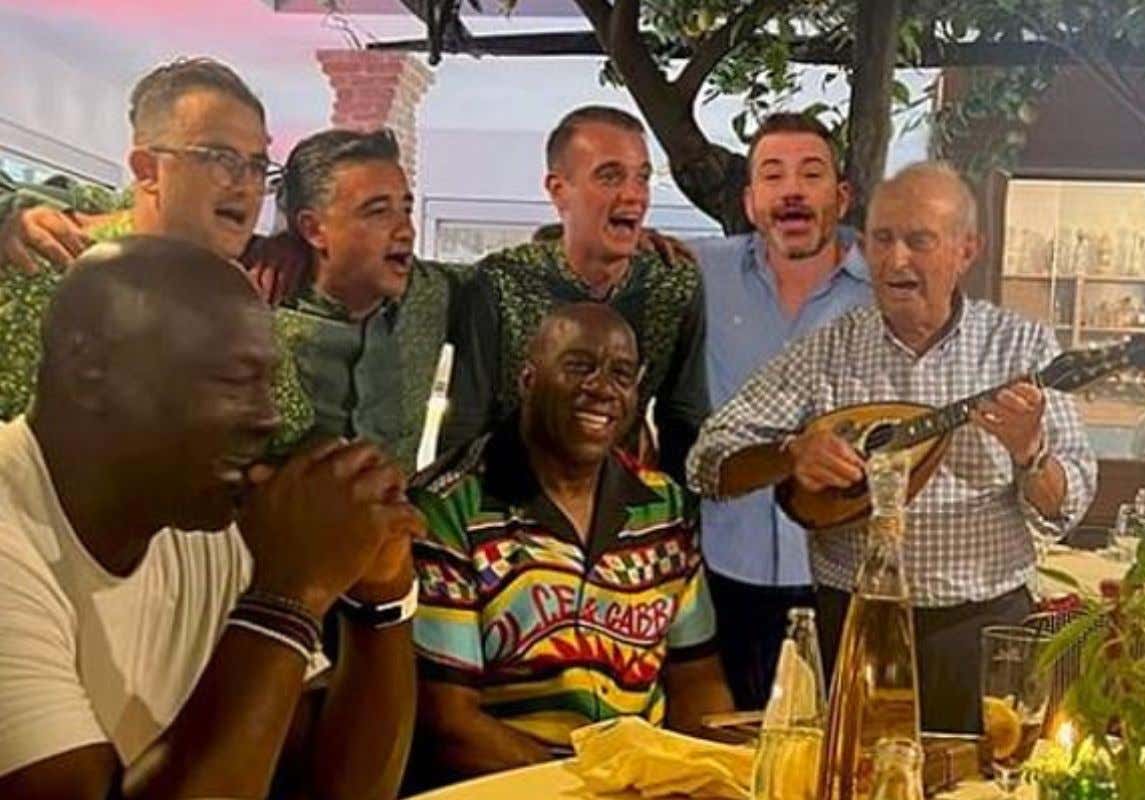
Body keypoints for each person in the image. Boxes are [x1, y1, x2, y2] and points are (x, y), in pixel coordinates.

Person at [0, 236, 420, 799]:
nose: (270, 418)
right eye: (235, 381)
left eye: (268, 383)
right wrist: (286, 596)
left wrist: (382, 601)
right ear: (89, 370)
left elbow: (327, 784)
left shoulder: (196, 513)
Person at [687, 162, 1098, 733]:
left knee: (987, 776)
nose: (896, 259)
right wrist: (792, 454)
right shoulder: (826, 351)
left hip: (982, 627)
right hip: (857, 623)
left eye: (919, 241)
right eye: (882, 239)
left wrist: (1031, 453)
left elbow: (1068, 502)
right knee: (853, 775)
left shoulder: (1022, 348)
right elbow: (707, 460)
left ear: (967, 250)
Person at [412, 302, 732, 779]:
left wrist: (707, 773)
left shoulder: (664, 506)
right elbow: (447, 722)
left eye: (621, 374)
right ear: (528, 380)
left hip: (642, 781)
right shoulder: (449, 507)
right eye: (579, 367)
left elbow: (697, 679)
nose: (602, 388)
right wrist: (589, 786)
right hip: (512, 783)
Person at [687, 113, 873, 710]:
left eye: (811, 174)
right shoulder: (699, 272)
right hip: (723, 575)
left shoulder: (887, 292)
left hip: (844, 577)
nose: (792, 189)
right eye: (772, 175)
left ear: (841, 196)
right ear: (750, 201)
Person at [440, 105, 709, 485]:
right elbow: (466, 422)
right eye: (610, 177)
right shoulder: (501, 281)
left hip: (620, 504)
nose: (634, 195)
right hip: (508, 499)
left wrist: (677, 512)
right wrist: (451, 510)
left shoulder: (674, 286)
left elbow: (685, 418)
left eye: (642, 178)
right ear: (558, 190)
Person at [0, 56, 278, 422]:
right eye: (221, 159)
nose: (247, 186)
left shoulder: (242, 302)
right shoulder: (44, 265)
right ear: (148, 171)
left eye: (257, 166)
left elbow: (284, 433)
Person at [270, 127, 464, 471]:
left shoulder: (431, 294)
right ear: (313, 229)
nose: (406, 230)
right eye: (378, 211)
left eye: (406, 209)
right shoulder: (257, 317)